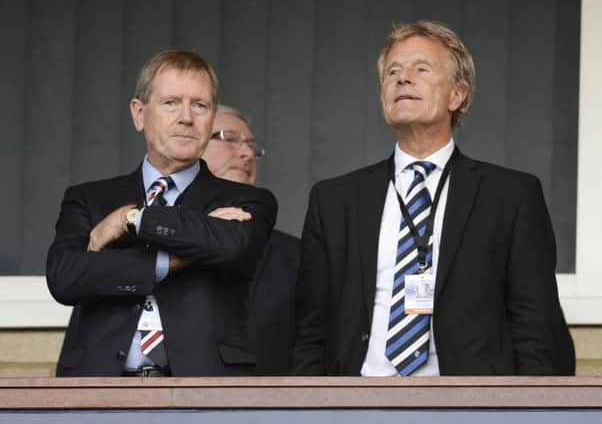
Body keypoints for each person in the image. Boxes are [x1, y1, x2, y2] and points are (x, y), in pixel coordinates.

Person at [292, 21, 575, 376]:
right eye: (393, 71)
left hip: (469, 404)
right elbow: (310, 327)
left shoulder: (511, 196)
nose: (402, 78)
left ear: (458, 95)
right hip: (358, 399)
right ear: (382, 97)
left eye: (421, 69)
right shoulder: (334, 200)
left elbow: (536, 325)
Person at [46, 50, 277, 377]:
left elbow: (233, 246)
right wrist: (172, 259)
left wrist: (133, 220)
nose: (186, 117)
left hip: (204, 392)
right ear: (139, 114)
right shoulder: (89, 199)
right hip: (98, 389)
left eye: (200, 105)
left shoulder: (249, 199)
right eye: (171, 103)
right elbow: (65, 277)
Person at [203, 104, 300, 375]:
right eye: (229, 139)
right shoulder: (155, 236)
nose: (246, 153)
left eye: (251, 146)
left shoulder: (296, 257)